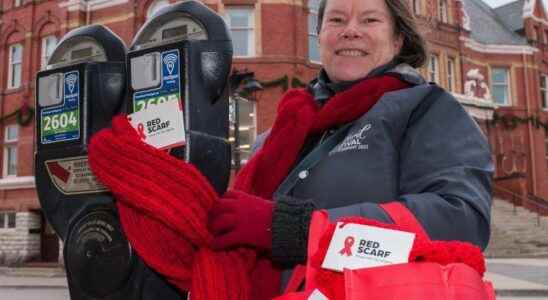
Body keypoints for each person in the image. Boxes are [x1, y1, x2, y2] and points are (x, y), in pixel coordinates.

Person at [208, 0, 493, 293]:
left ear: (398, 40)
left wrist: (296, 229)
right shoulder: (276, 136)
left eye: (369, 20)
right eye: (337, 20)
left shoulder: (425, 110)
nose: (351, 31)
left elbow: (462, 219)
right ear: (319, 37)